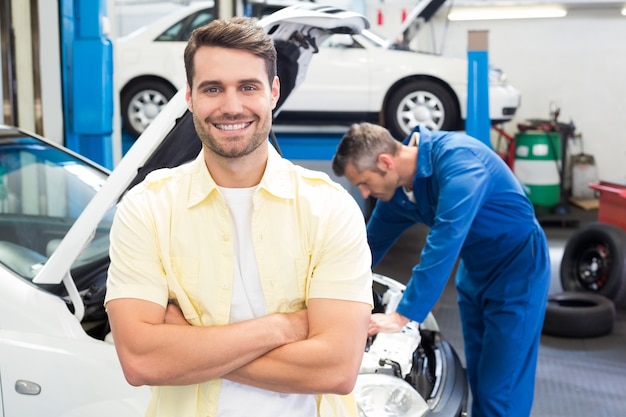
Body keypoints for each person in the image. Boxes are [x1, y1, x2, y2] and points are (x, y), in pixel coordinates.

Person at [104, 17, 373, 417]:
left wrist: (190, 347)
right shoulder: (146, 209)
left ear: (273, 93)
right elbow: (142, 361)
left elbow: (336, 368)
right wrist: (282, 327)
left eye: (248, 87)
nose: (232, 106)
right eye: (213, 88)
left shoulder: (330, 209)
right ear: (190, 98)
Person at [331, 122, 551, 417]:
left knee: (501, 388)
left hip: (517, 270)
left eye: (364, 182)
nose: (365, 193)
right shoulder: (399, 189)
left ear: (385, 162)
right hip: (474, 272)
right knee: (479, 376)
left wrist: (402, 316)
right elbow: (367, 247)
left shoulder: (459, 164)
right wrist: (326, 289)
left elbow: (444, 243)